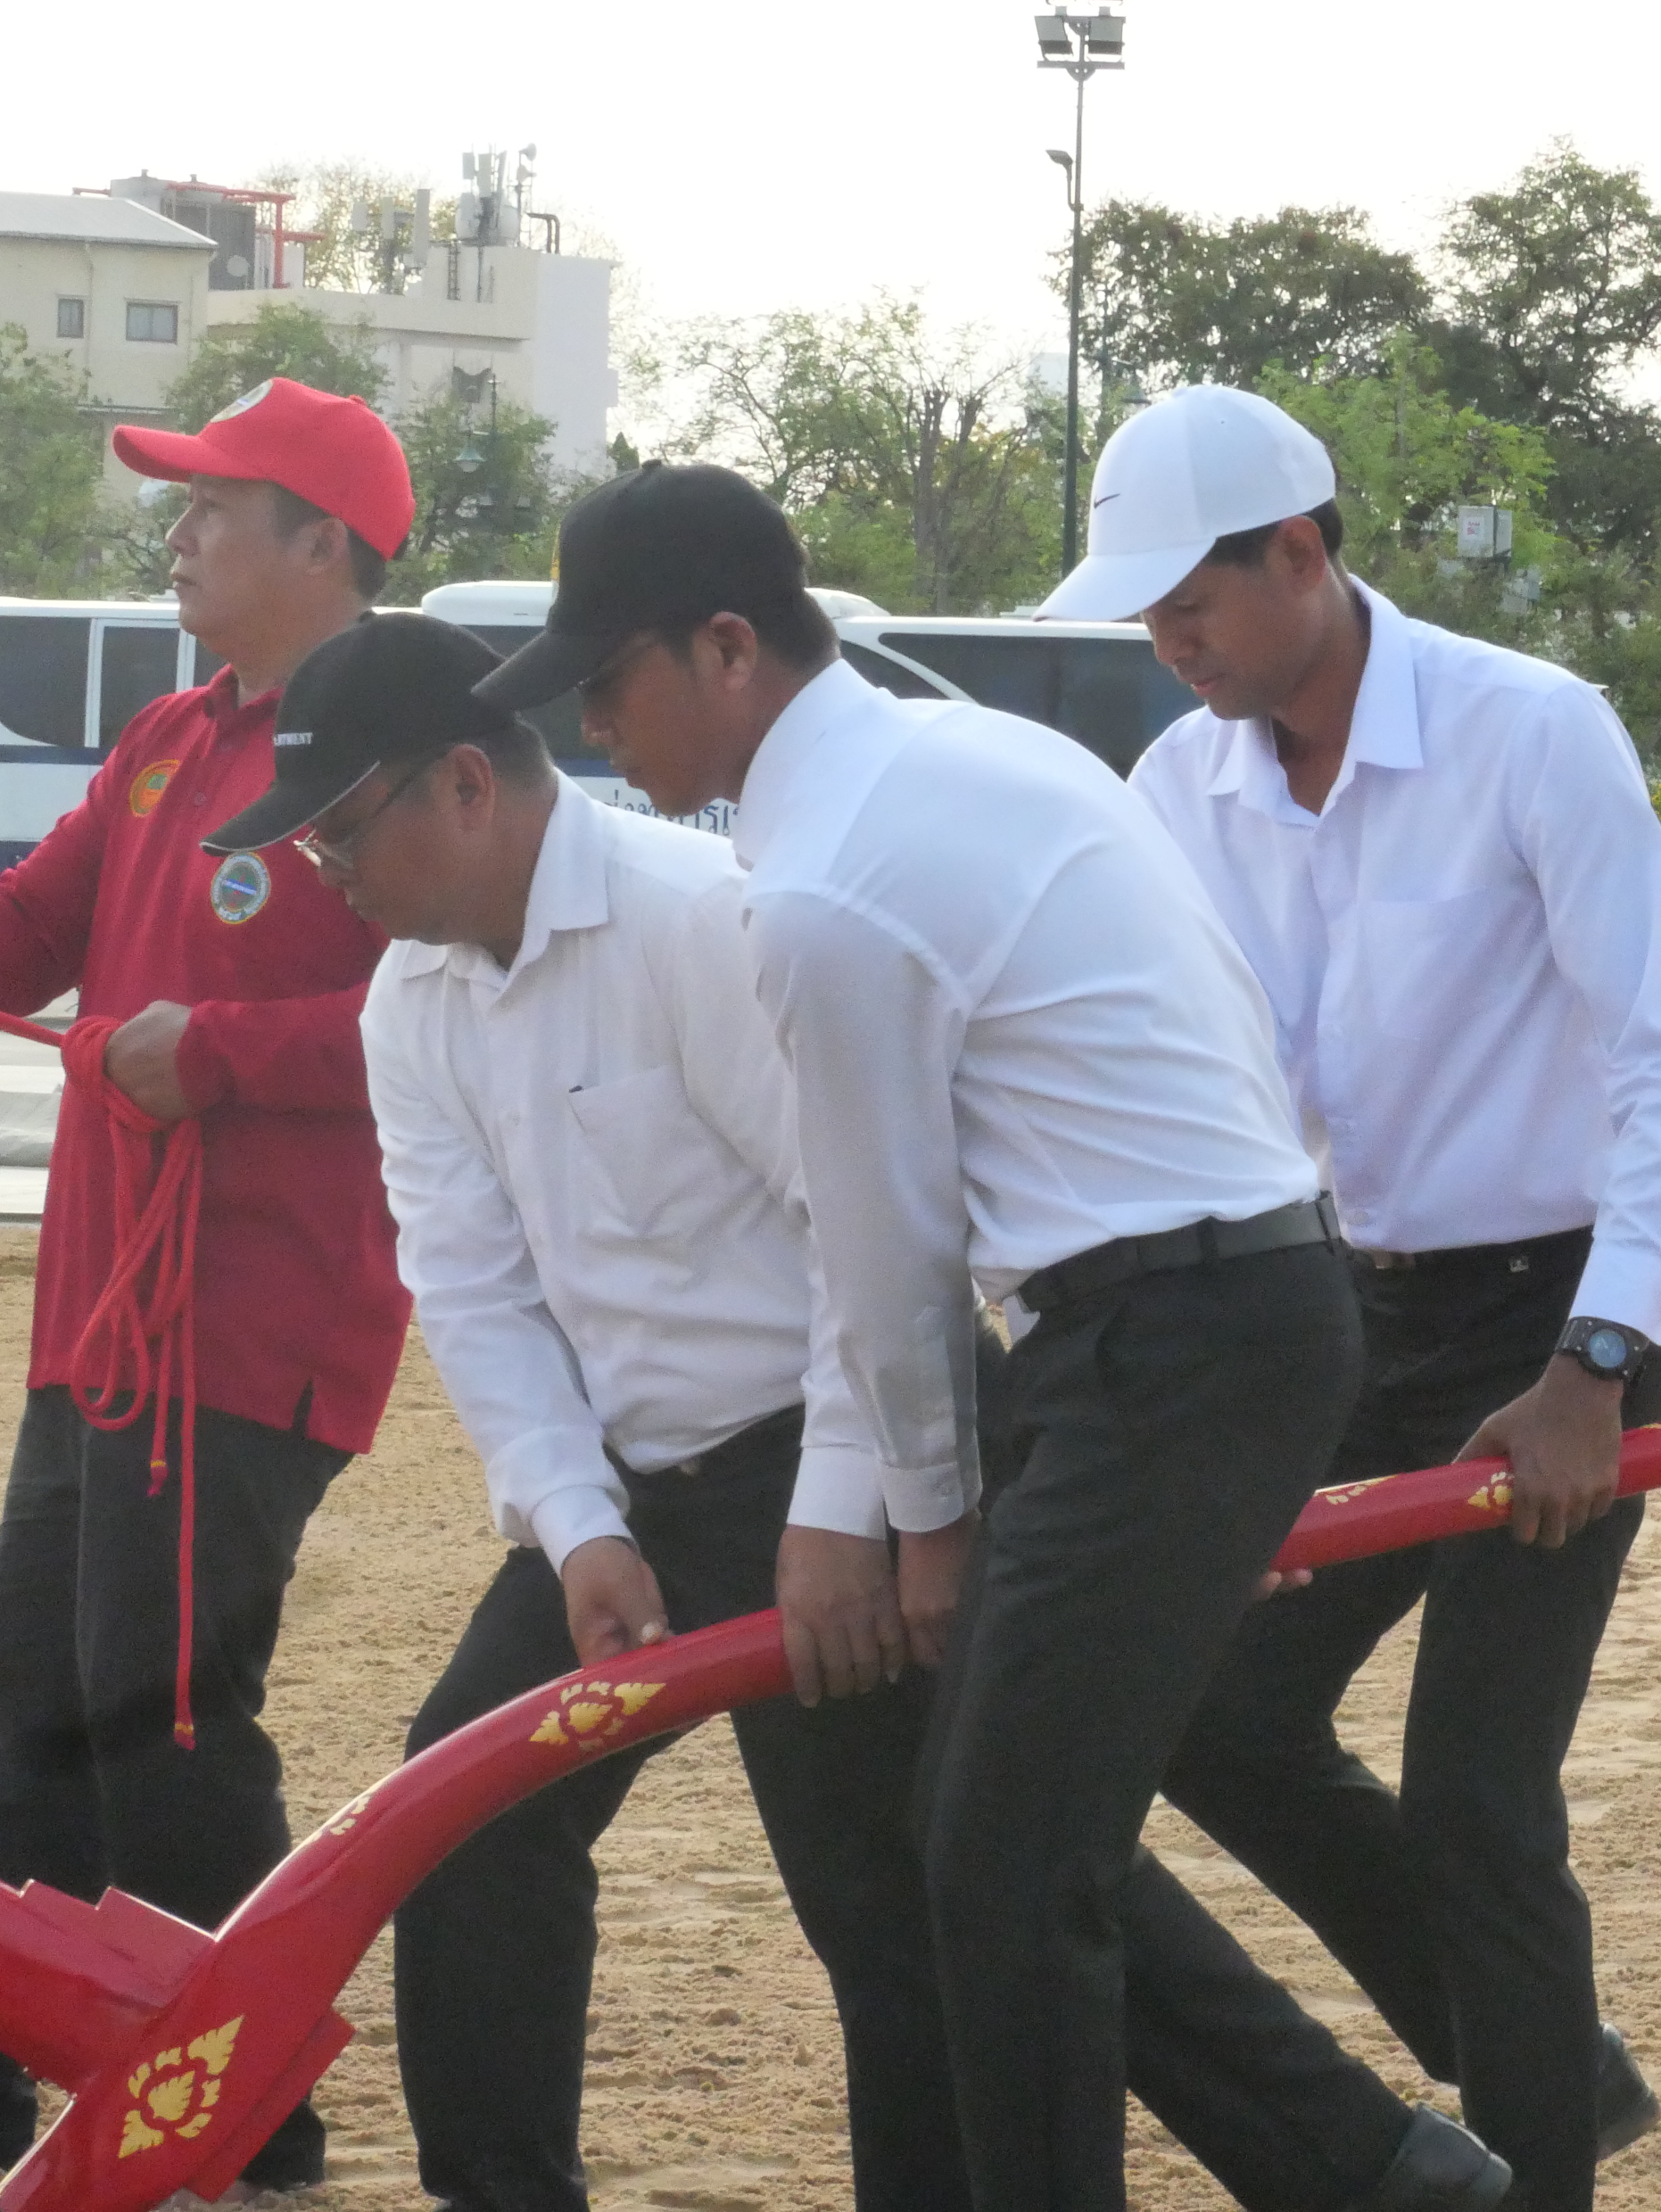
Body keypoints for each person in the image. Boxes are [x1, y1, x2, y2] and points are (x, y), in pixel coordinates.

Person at [240, 613, 1506, 2212]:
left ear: (468, 788)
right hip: (636, 1495)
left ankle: (1375, 2166)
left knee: (926, 1881)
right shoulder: (408, 1007)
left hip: (823, 1452)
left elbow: (873, 1238)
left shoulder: (704, 923)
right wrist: (573, 1526)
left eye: (338, 834)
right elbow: (472, 1288)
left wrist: (856, 1511)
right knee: (473, 1812)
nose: (323, 877)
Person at [477, 463, 1368, 2212]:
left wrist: (931, 1521)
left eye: (608, 682)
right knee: (995, 1848)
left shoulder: (823, 883)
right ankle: (1396, 2179)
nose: (588, 729)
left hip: (1166, 1339)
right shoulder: (978, 761)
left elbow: (883, 1243)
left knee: (1004, 1865)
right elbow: (1219, 1024)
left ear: (725, 649)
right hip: (1205, 1316)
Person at [1049, 385, 1661, 2212]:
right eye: (1143, 612)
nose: (1164, 641)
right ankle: (1539, 2054)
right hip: (1334, 1318)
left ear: (1301, 552)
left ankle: (1531, 2161)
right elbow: (1193, 1092)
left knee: (1476, 1800)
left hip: (1557, 1321)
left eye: (1188, 600)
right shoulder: (1170, 787)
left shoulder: (1530, 732)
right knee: (1213, 1715)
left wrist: (1596, 1364)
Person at [0, 378, 418, 2188]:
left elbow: (449, 1012)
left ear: (319, 543)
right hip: (100, 1318)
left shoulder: (394, 747)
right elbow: (34, 927)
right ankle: (53, 2087)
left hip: (250, 1322)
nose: (174, 537)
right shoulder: (170, 735)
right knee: (32, 1709)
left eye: (208, 509)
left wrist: (220, 1055)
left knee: (154, 1715)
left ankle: (249, 2112)